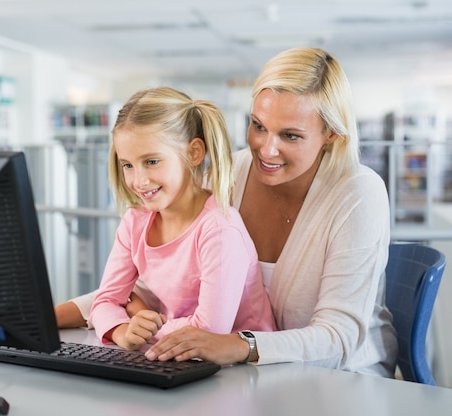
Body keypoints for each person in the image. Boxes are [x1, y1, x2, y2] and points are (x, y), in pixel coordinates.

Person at [143, 48, 398, 377]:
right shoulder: (226, 174)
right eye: (258, 126)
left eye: (290, 135)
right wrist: (61, 314)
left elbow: (338, 339)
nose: (267, 148)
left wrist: (241, 344)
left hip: (342, 378)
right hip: (247, 373)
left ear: (331, 134)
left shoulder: (358, 193)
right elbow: (158, 282)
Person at [88, 86, 276, 351]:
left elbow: (208, 330)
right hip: (177, 355)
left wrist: (146, 324)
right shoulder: (135, 222)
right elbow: (105, 300)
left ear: (194, 153)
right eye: (128, 165)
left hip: (242, 369)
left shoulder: (220, 230)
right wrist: (122, 330)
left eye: (152, 161)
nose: (138, 181)